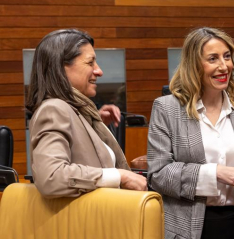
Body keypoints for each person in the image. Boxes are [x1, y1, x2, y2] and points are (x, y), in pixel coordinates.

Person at [147, 27, 234, 239]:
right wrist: (214, 173)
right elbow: (158, 175)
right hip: (189, 229)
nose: (224, 66)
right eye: (213, 59)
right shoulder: (167, 108)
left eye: (227, 57)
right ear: (194, 65)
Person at [26, 29, 147, 198]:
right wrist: (120, 176)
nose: (99, 71)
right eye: (90, 63)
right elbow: (51, 177)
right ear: (61, 67)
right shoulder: (53, 109)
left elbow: (82, 155)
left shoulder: (79, 113)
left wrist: (96, 124)